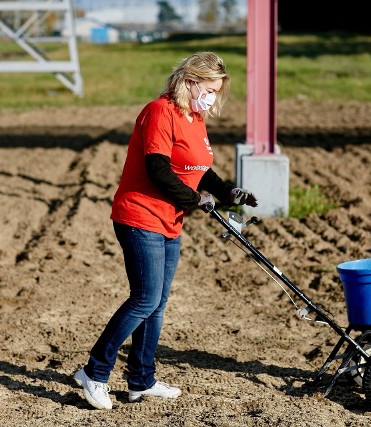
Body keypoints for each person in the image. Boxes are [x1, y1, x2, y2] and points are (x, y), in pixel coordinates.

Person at [73, 51, 258, 410]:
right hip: (139, 216)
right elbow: (158, 169)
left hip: (169, 221)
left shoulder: (195, 117)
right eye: (209, 89)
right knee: (144, 299)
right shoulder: (160, 112)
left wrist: (227, 192)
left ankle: (140, 380)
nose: (213, 97)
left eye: (217, 91)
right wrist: (194, 200)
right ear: (189, 82)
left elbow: (196, 166)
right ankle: (94, 373)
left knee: (156, 304)